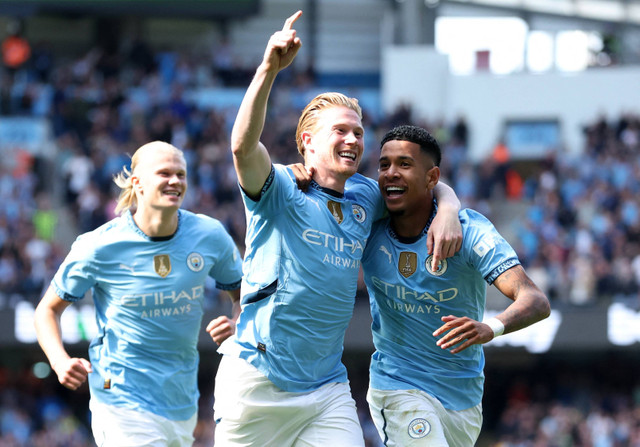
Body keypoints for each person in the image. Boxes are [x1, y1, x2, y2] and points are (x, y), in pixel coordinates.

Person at [213, 10, 462, 446]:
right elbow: (241, 147)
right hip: (257, 381)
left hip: (326, 388)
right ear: (307, 140)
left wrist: (449, 207)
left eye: (359, 132)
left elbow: (426, 186)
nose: (353, 140)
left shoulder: (368, 195)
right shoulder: (280, 187)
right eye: (341, 130)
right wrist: (269, 69)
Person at [34, 141, 243, 446]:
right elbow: (47, 311)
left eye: (181, 174)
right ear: (137, 183)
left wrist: (239, 322)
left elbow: (244, 297)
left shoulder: (209, 236)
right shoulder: (99, 245)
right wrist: (59, 360)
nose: (175, 181)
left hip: (181, 403)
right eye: (164, 173)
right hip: (119, 399)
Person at [361, 125, 551, 446]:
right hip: (397, 384)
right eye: (384, 164)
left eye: (404, 165)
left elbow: (534, 299)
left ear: (432, 178)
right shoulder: (366, 217)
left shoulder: (470, 232)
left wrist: (490, 327)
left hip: (463, 398)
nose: (390, 173)